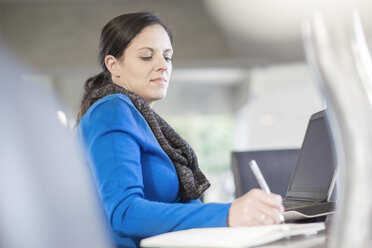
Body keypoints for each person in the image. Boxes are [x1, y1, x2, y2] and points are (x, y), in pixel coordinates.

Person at [76, 12, 284, 248]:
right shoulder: (112, 111)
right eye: (146, 56)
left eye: (168, 57)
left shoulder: (145, 120)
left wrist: (244, 214)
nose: (163, 66)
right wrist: (227, 214)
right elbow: (124, 213)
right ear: (114, 65)